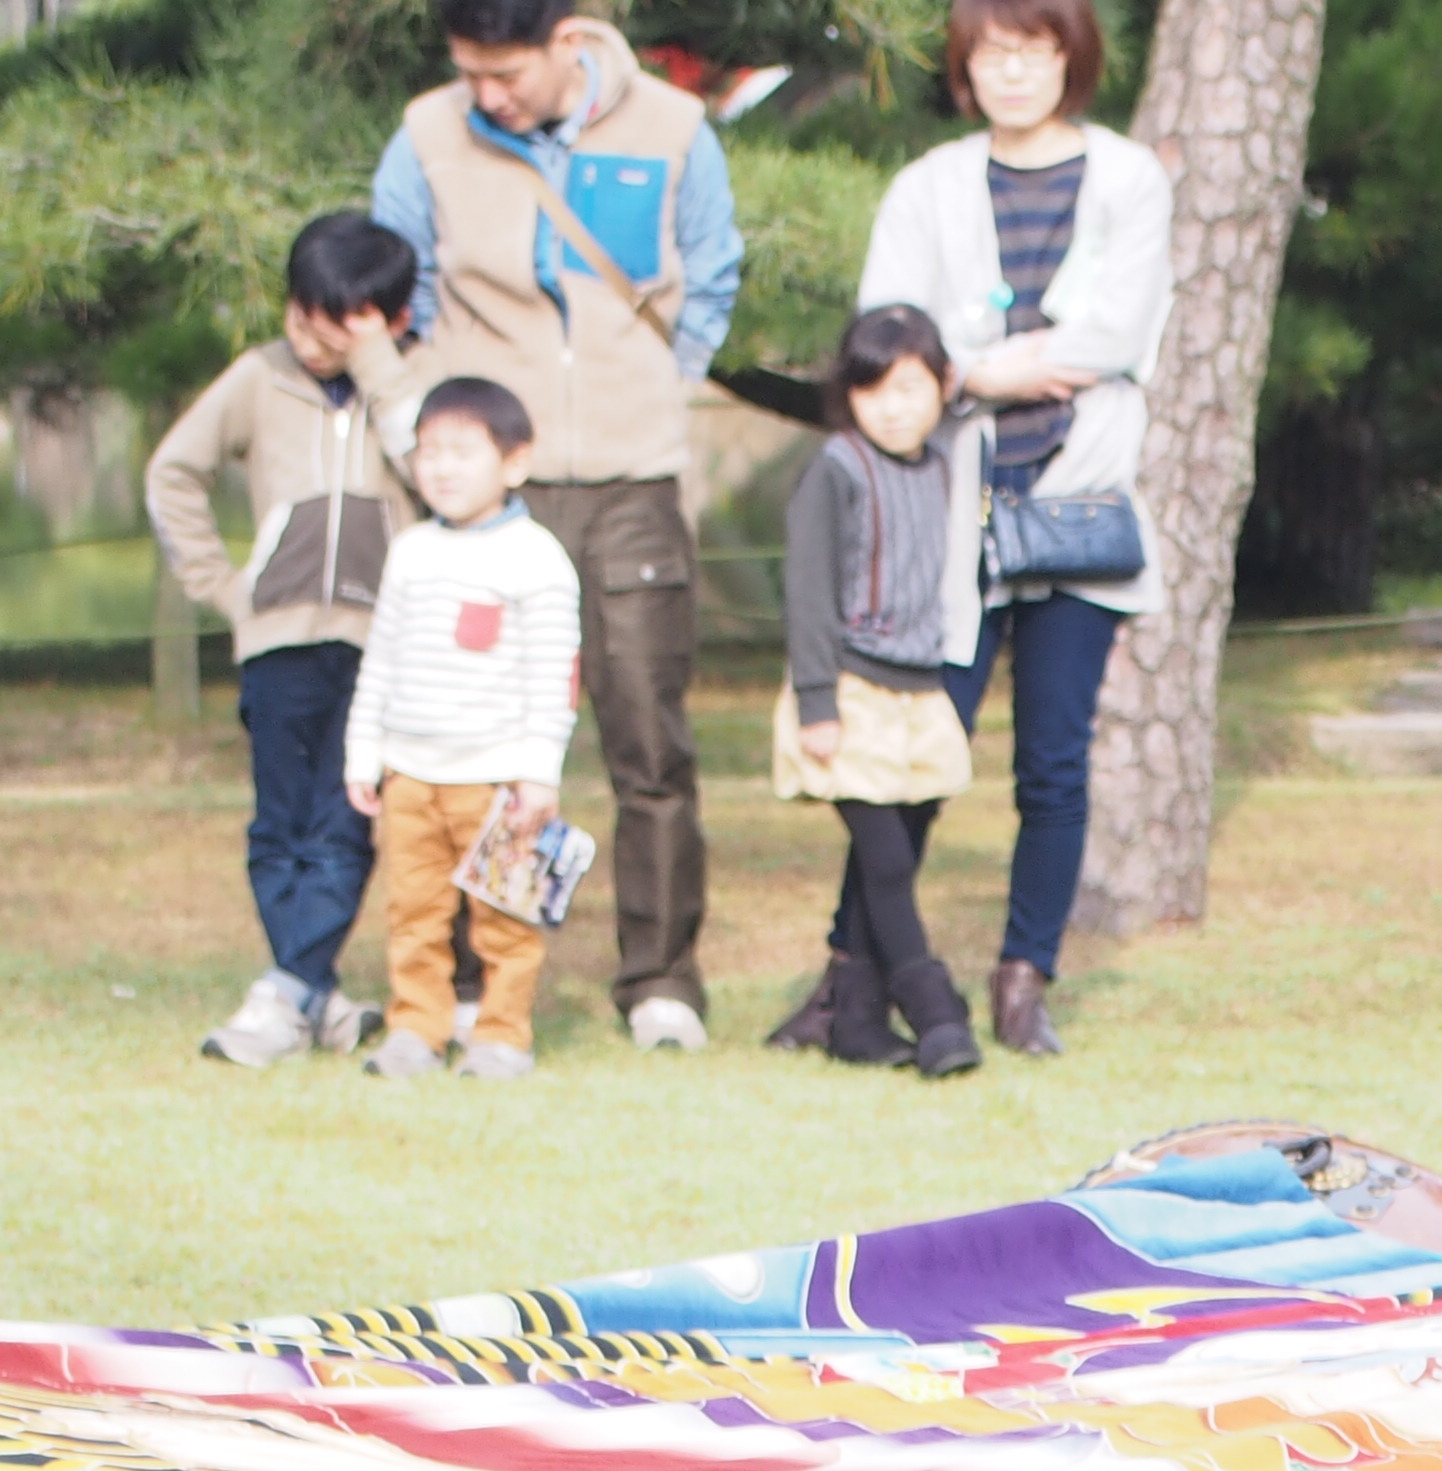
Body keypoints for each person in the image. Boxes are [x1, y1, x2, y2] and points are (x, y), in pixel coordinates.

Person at [364, 0, 740, 1055]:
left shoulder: (671, 126)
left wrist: (659, 383)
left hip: (631, 477)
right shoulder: (428, 136)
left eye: (507, 75)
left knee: (646, 733)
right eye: (470, 73)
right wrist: (444, 433)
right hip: (484, 492)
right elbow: (406, 293)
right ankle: (479, 986)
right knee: (465, 747)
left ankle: (661, 976)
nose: (488, 96)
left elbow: (710, 272)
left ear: (567, 40)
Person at [851, 0, 1168, 1064]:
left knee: (1053, 763)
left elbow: (1120, 332)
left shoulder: (1127, 178)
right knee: (917, 750)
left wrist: (969, 366)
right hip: (952, 504)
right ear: (966, 65)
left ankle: (1025, 976)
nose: (1014, 72)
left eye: (1034, 51)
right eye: (993, 53)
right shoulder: (928, 187)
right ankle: (858, 972)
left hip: (1077, 498)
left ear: (1071, 59)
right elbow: (889, 342)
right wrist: (1008, 361)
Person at [156, 211, 424, 1071]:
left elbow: (435, 465)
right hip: (277, 639)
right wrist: (226, 589)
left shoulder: (414, 384)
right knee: (280, 823)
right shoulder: (257, 377)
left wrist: (379, 366)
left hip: (384, 644)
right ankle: (310, 990)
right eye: (299, 312)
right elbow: (174, 473)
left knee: (344, 822)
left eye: (333, 319)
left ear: (386, 318)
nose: (309, 336)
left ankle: (287, 994)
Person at [775, 309, 997, 1079]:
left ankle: (858, 1018)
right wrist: (816, 702)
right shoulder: (836, 467)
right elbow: (807, 591)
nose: (892, 408)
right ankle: (935, 1010)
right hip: (852, 687)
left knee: (894, 856)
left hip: (920, 690)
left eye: (909, 388)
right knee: (886, 860)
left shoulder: (944, 467)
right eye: (872, 391)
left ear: (940, 387)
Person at [347, 376, 583, 1083]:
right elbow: (381, 657)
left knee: (504, 921)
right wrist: (366, 754)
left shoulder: (536, 557)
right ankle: (415, 1028)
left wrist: (538, 772)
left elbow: (554, 677)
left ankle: (501, 1035)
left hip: (497, 781)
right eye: (428, 452)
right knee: (413, 913)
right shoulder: (412, 550)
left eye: (461, 452)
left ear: (514, 463)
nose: (441, 468)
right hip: (411, 775)